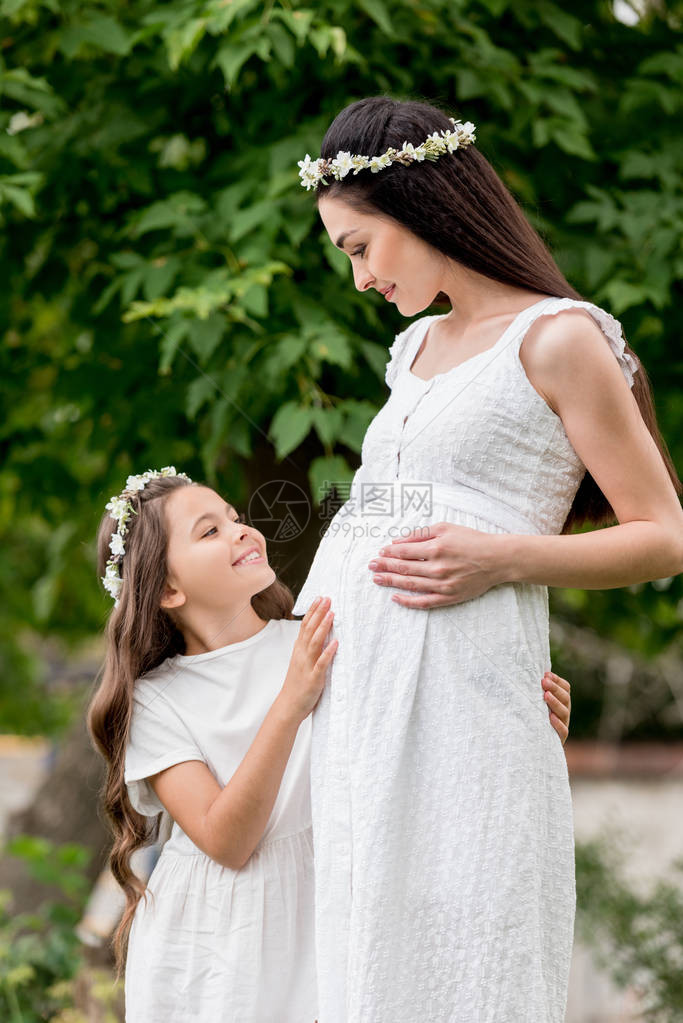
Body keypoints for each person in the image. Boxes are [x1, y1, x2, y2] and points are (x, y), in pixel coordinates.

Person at [293, 96, 683, 1022]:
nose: (356, 280)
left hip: (465, 702)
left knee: (467, 943)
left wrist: (505, 558)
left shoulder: (557, 336)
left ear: (422, 205)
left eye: (358, 247)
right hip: (363, 710)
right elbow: (381, 509)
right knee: (372, 949)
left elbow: (664, 532)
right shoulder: (411, 349)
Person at [85, 466, 574, 1022]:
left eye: (235, 517)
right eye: (209, 532)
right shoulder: (158, 699)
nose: (242, 531)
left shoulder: (319, 635)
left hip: (331, 899)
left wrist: (525, 727)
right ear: (169, 589)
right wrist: (291, 701)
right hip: (220, 940)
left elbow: (416, 744)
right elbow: (227, 840)